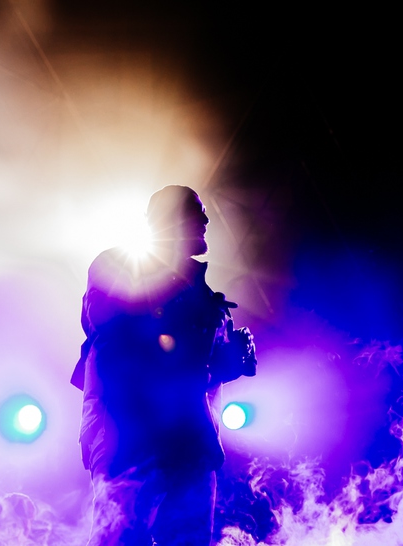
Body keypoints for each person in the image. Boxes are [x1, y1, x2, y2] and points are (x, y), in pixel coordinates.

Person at [70, 185, 257, 545]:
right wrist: (191, 325)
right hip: (128, 431)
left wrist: (231, 359)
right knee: (121, 537)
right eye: (195, 211)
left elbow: (200, 372)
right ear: (166, 220)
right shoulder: (119, 266)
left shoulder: (206, 299)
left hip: (192, 439)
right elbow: (111, 329)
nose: (205, 220)